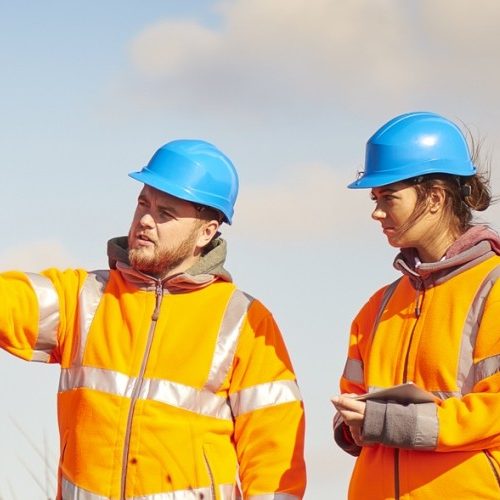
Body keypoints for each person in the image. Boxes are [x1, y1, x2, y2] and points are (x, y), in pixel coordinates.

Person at [0, 139, 306, 499]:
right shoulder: (85, 296)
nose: (145, 220)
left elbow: (275, 459)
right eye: (143, 203)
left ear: (206, 232)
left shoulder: (245, 322)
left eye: (166, 213)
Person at [332, 111, 500, 499]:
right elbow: (353, 404)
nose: (376, 212)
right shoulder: (379, 305)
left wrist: (390, 421)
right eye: (374, 198)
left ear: (436, 198)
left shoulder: (493, 287)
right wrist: (351, 423)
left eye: (388, 197)